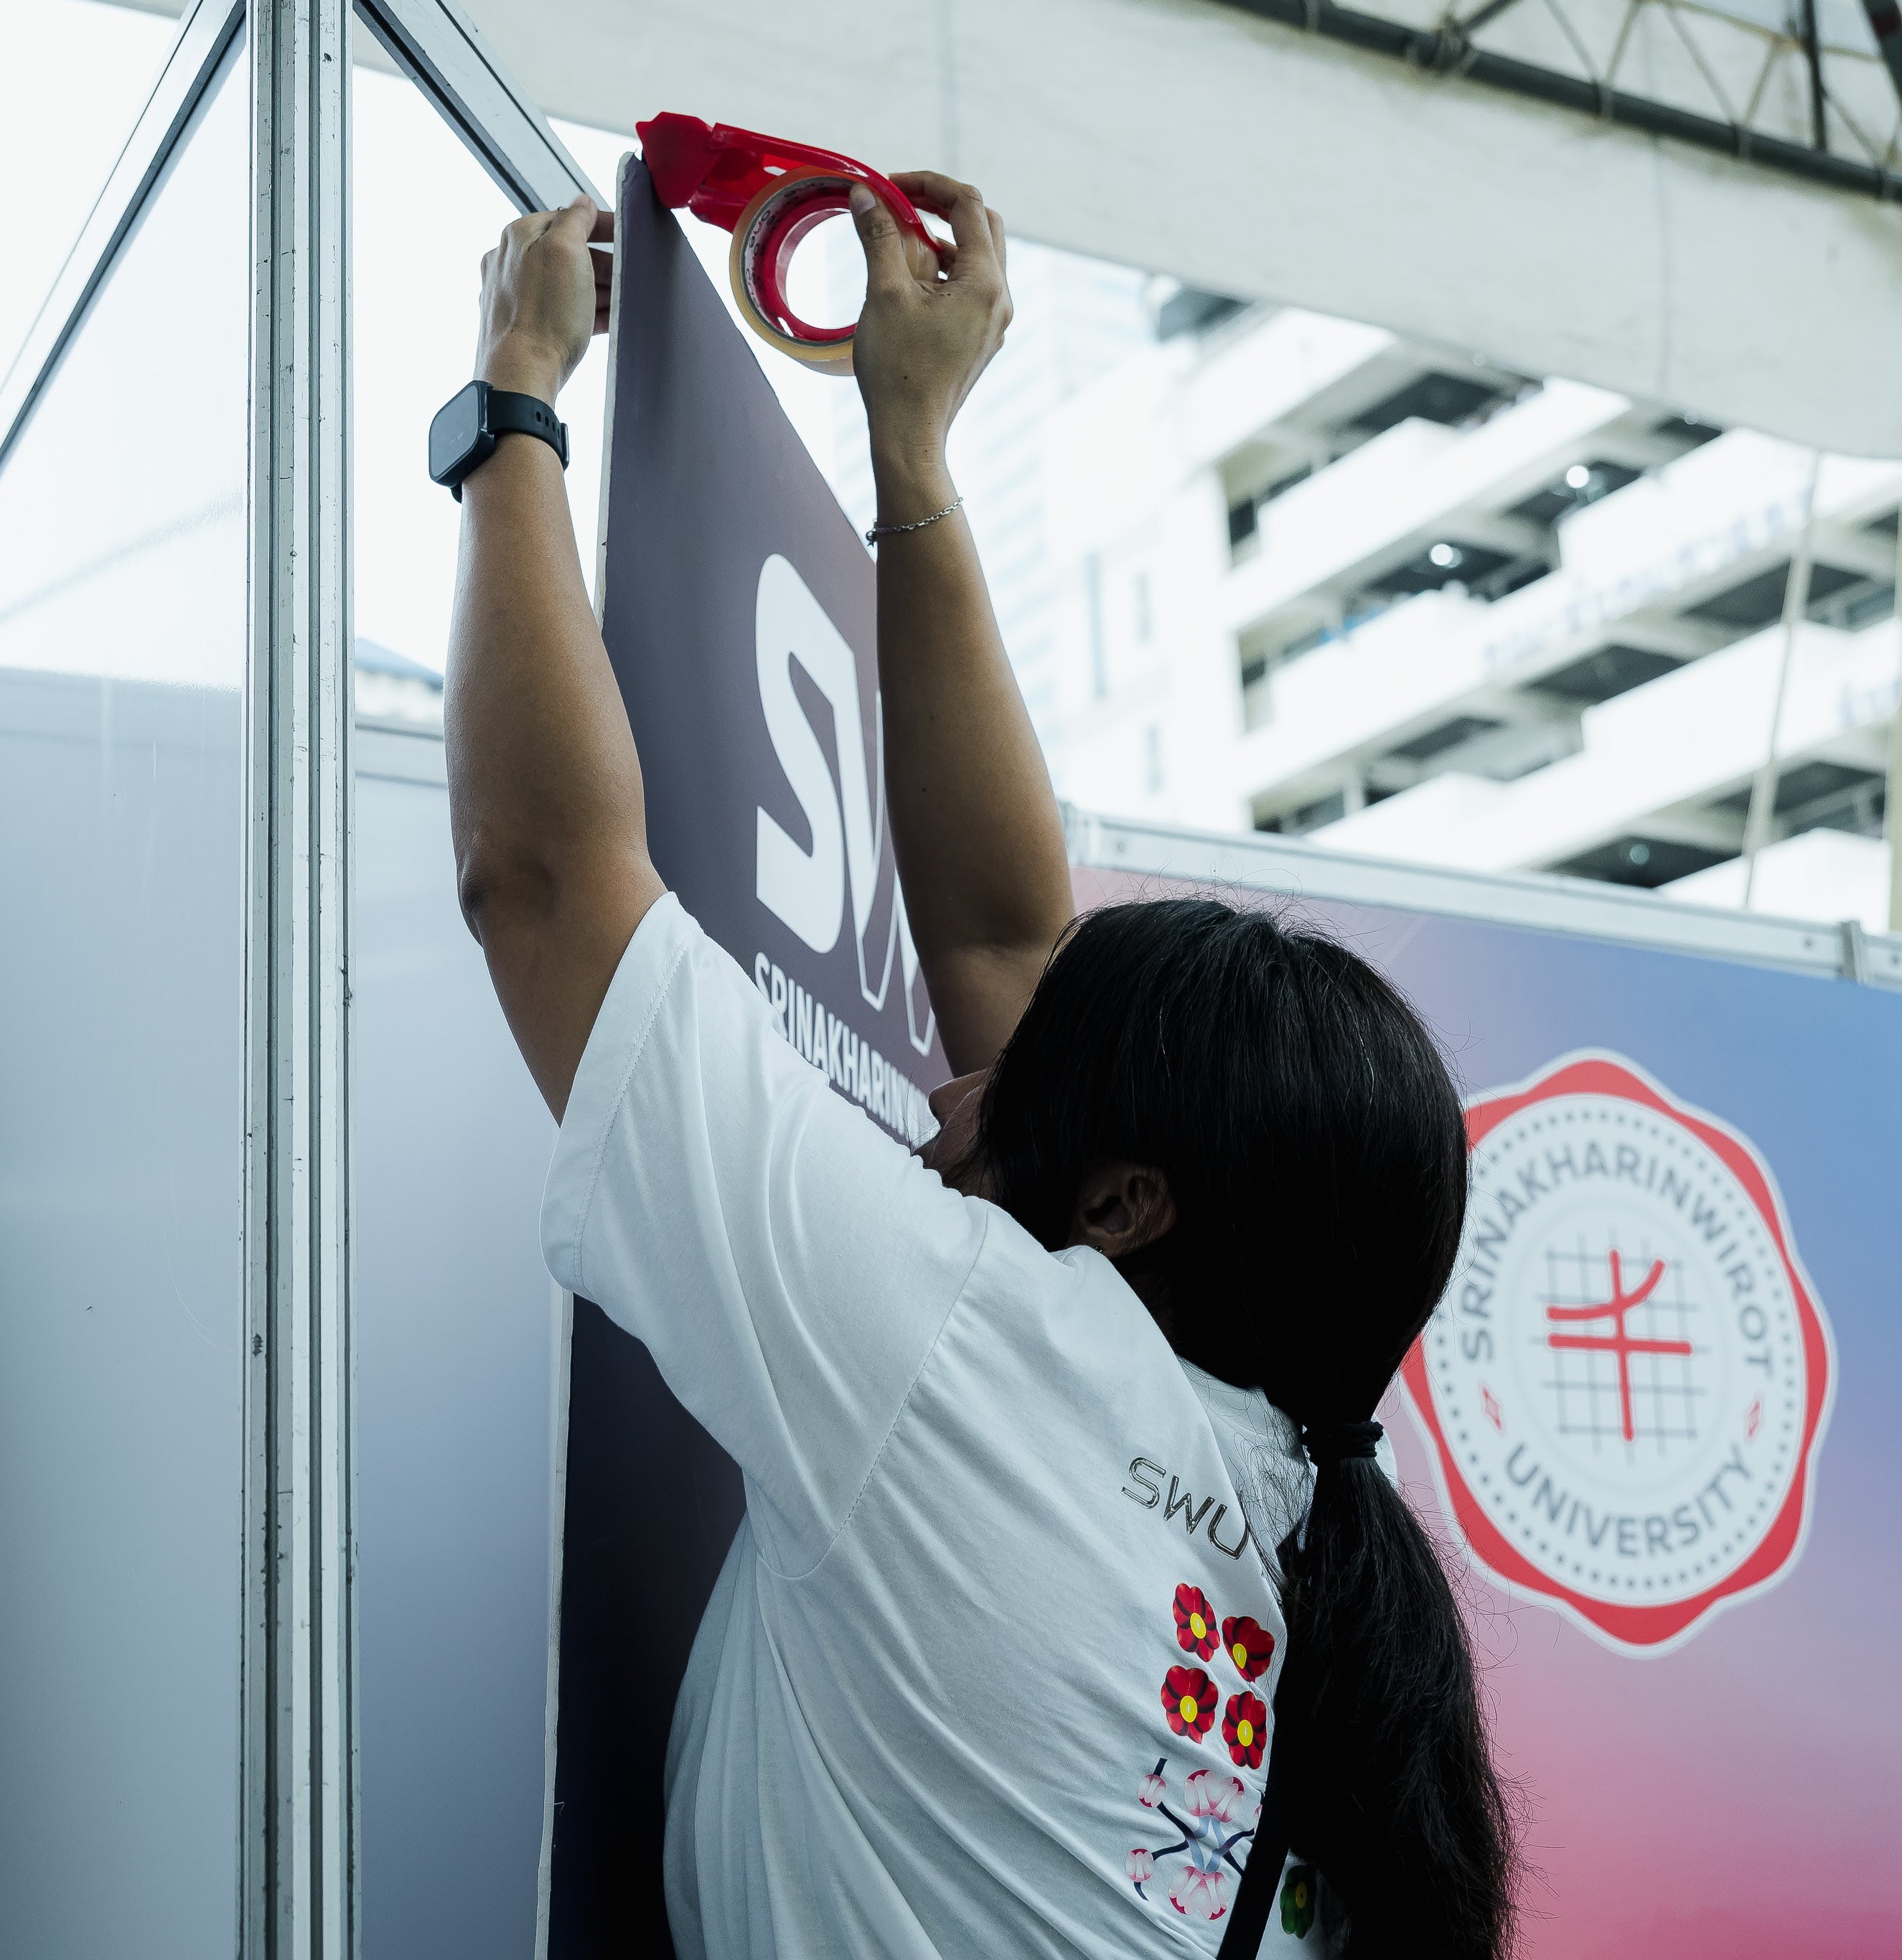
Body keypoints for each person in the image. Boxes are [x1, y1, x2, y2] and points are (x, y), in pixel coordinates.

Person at [444, 169, 1516, 1959]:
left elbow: (543, 883)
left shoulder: (965, 1365)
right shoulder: (1324, 1484)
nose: (944, 1093)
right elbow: (1012, 949)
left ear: (1129, 1203)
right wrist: (912, 453)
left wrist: (510, 404)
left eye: (1009, 1089)